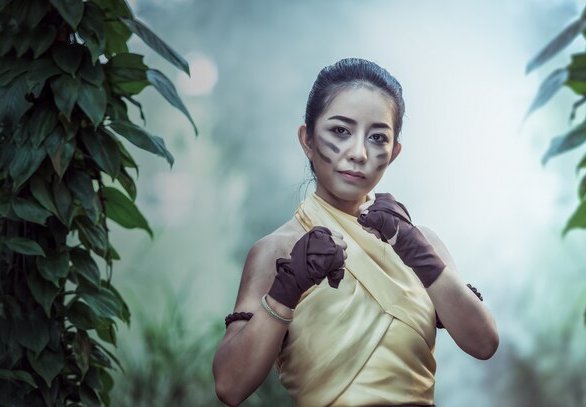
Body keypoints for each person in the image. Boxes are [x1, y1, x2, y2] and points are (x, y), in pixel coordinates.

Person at [213, 58, 499, 406]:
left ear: (393, 153)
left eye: (377, 137)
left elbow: (484, 344)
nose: (359, 153)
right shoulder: (276, 251)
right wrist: (286, 289)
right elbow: (229, 386)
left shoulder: (420, 242)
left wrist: (416, 250)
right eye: (340, 131)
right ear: (307, 139)